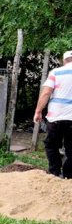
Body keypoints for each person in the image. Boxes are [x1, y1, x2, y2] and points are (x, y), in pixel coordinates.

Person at [33, 50, 72, 178]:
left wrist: (38, 111)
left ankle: (54, 173)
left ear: (64, 60)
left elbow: (46, 93)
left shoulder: (56, 72)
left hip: (55, 117)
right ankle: (68, 176)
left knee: (51, 145)